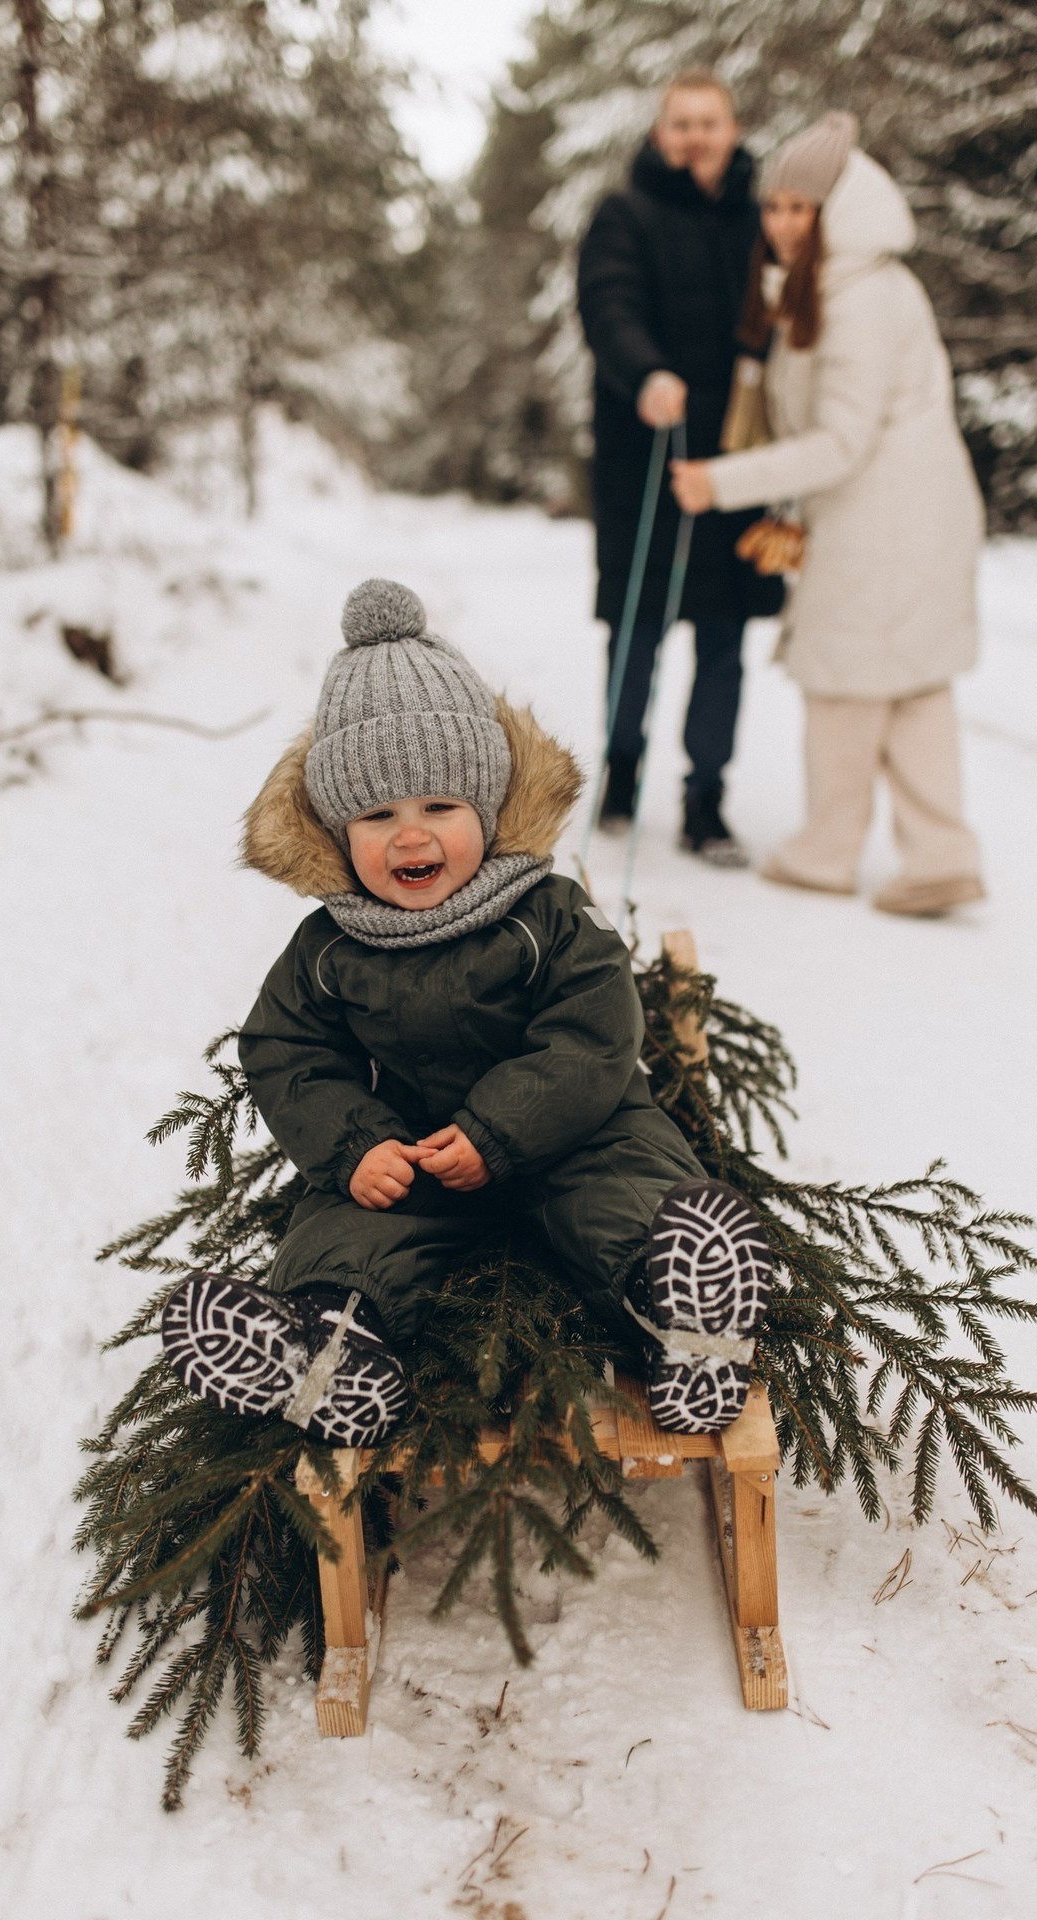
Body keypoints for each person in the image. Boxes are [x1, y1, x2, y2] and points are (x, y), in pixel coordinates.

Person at [158, 579, 774, 1443]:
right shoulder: (329, 945)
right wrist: (355, 1143)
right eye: (377, 816)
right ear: (338, 832)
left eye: (440, 808)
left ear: (486, 806)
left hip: (568, 1133)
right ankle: (325, 1356)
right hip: (413, 1149)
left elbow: (594, 1033)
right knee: (347, 1227)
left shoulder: (548, 911)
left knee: (624, 1189)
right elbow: (287, 1051)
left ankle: (688, 1314)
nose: (412, 838)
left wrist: (500, 1132)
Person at [671, 113, 986, 917]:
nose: (780, 223)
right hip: (900, 513)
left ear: (838, 209)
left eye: (799, 208)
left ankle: (828, 850)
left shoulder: (860, 296)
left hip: (883, 521)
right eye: (773, 207)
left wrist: (722, 481)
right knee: (911, 684)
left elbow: (840, 440)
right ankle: (940, 856)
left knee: (844, 682)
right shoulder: (842, 282)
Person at [577, 70, 779, 867]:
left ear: (732, 131)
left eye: (710, 122)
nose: (696, 135)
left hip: (738, 465)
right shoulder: (624, 214)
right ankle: (622, 770)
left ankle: (706, 800)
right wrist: (646, 373)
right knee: (637, 629)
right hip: (645, 460)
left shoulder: (763, 221)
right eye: (681, 123)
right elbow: (606, 304)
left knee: (725, 639)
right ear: (661, 135)